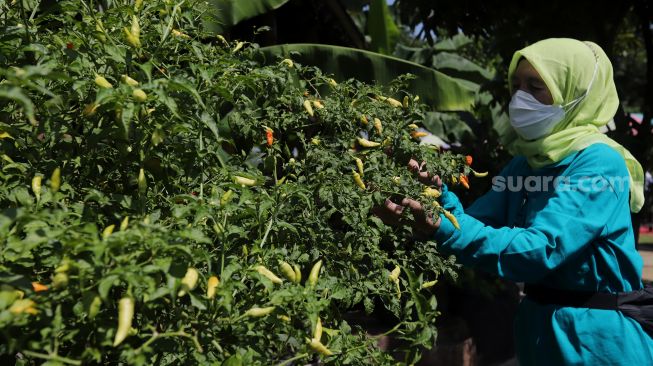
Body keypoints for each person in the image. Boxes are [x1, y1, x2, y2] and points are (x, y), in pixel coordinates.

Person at [376, 38, 653, 365]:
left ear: (572, 92)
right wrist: (434, 194)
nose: (520, 97)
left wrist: (442, 225)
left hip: (594, 341)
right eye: (516, 85)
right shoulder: (525, 164)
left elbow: (542, 249)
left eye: (536, 86)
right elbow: (472, 224)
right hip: (539, 333)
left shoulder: (598, 164)